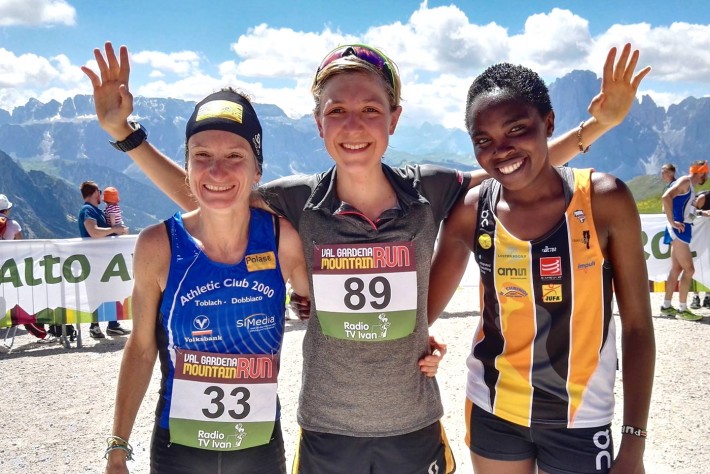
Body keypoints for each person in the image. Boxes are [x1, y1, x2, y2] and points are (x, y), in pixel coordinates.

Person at [83, 40, 646, 473]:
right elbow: (209, 192)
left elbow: (518, 168)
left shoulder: (432, 189)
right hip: (327, 429)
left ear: (395, 117)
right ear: (318, 122)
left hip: (415, 424)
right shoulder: (296, 201)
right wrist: (125, 136)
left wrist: (600, 125)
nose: (354, 126)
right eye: (336, 112)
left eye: (371, 110)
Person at [428, 61, 655, 474]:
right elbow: (421, 313)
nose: (502, 150)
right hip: (492, 408)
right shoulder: (469, 211)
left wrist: (634, 444)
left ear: (548, 123)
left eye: (516, 129)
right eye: (484, 139)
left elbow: (638, 326)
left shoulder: (604, 200)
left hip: (582, 418)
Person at [101, 88, 314, 474]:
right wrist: (118, 447)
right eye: (201, 156)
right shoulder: (157, 245)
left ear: (257, 171)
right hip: (178, 448)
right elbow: (142, 348)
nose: (217, 172)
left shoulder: (284, 240)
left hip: (260, 446)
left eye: (235, 156)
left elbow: (319, 302)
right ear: (186, 167)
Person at [78, 180, 131, 338]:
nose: (101, 195)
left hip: (105, 259)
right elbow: (93, 231)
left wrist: (117, 231)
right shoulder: (87, 209)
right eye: (99, 191)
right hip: (95, 259)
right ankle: (94, 327)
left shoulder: (96, 210)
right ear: (95, 192)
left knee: (110, 289)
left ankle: (112, 325)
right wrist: (115, 229)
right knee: (97, 291)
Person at [0, 193, 54, 341]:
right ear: (7, 210)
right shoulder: (13, 225)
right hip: (8, 270)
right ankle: (40, 332)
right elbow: (21, 247)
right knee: (21, 303)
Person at [660, 161, 710, 321]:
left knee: (676, 269)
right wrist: (673, 221)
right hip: (678, 230)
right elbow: (666, 198)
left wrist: (702, 213)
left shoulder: (690, 186)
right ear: (701, 173)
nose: (707, 176)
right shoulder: (685, 181)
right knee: (689, 270)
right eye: (706, 173)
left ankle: (666, 306)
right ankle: (682, 309)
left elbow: (687, 211)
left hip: (682, 229)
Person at [689, 190, 710, 309]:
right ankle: (695, 296)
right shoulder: (703, 197)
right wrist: (702, 213)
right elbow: (689, 214)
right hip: (697, 237)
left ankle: (707, 297)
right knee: (694, 266)